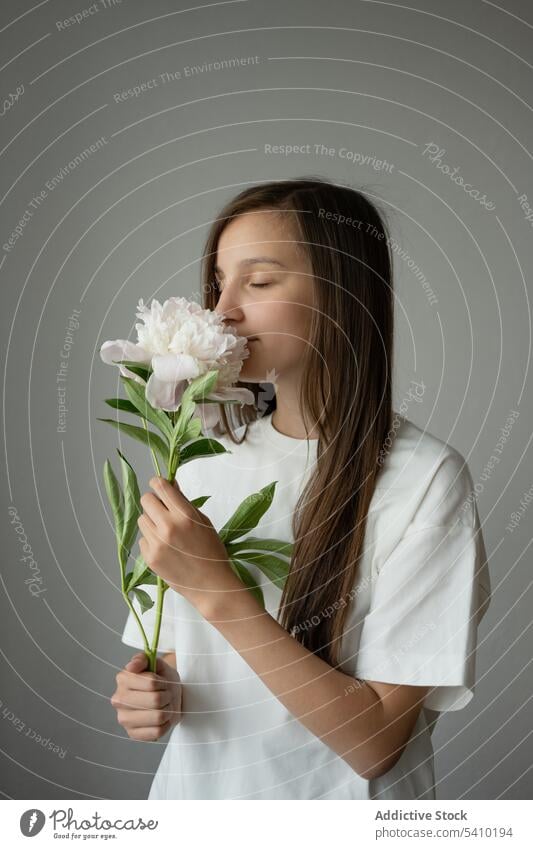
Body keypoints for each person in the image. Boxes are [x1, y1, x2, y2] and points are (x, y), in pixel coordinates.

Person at [111, 177, 491, 800]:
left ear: (342, 295)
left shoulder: (425, 482)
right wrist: (153, 691)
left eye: (258, 282)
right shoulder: (201, 457)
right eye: (218, 283)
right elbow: (187, 659)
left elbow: (374, 745)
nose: (223, 308)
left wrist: (217, 590)